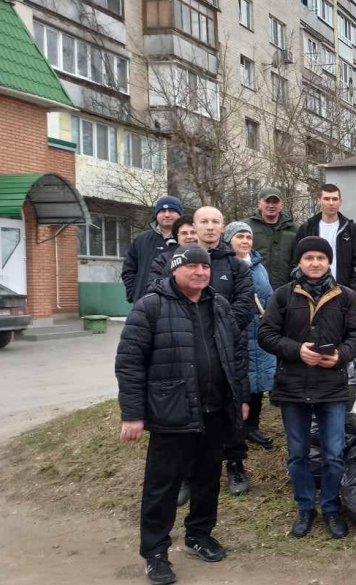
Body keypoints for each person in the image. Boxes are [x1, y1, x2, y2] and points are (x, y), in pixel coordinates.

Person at [116, 243, 249, 585]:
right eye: (193, 267)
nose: (201, 272)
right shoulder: (151, 307)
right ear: (175, 269)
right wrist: (132, 414)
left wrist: (240, 397)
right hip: (170, 411)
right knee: (162, 487)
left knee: (207, 481)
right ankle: (155, 552)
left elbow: (236, 354)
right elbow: (129, 364)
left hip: (215, 411)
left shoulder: (219, 305)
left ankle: (198, 536)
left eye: (205, 267)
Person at [259, 236, 356, 540]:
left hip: (331, 386)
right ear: (299, 262)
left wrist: (340, 356)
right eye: (309, 258)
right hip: (292, 386)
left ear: (329, 261)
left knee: (334, 453)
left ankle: (331, 508)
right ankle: (305, 507)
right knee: (298, 453)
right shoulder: (282, 296)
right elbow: (266, 334)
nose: (315, 263)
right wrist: (296, 350)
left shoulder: (344, 296)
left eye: (321, 258)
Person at [192, 206, 255, 496]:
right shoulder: (176, 261)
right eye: (204, 221)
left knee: (233, 405)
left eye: (215, 222)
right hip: (190, 349)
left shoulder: (237, 266)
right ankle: (187, 473)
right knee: (190, 408)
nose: (210, 226)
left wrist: (218, 330)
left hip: (230, 348)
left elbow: (244, 307)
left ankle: (235, 464)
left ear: (222, 227)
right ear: (194, 226)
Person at [225, 221, 276, 449]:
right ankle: (237, 427)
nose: (245, 241)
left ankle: (252, 427)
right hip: (240, 330)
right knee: (241, 379)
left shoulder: (258, 265)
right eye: (239, 237)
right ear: (229, 240)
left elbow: (268, 293)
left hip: (261, 330)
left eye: (248, 237)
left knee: (258, 381)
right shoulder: (225, 265)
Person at [291, 184, 356, 301]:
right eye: (326, 199)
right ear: (318, 201)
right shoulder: (307, 228)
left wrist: (354, 291)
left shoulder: (352, 229)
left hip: (343, 293)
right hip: (311, 294)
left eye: (334, 199)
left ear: (340, 202)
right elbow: (296, 261)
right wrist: (302, 286)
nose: (331, 203)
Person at [122, 195, 183, 303]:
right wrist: (134, 293)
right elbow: (129, 269)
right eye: (162, 211)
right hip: (144, 302)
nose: (167, 214)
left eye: (172, 210)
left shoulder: (188, 240)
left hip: (178, 304)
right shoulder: (141, 240)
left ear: (180, 214)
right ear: (156, 214)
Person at [245, 187, 298, 289]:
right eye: (267, 201)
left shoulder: (294, 230)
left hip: (286, 290)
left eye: (275, 202)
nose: (271, 205)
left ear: (281, 205)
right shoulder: (246, 227)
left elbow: (297, 261)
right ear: (259, 203)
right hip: (253, 289)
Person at [147, 216, 198, 287]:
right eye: (184, 233)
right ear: (177, 237)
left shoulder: (211, 256)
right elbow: (153, 285)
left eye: (193, 232)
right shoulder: (163, 260)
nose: (189, 237)